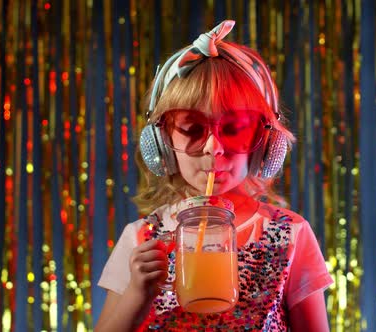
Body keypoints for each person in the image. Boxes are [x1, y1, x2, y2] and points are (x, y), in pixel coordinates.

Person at [95, 20, 333, 332]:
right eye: (192, 129)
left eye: (235, 128)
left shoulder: (291, 235)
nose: (213, 148)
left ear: (265, 142)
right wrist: (136, 296)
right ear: (161, 143)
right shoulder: (141, 240)